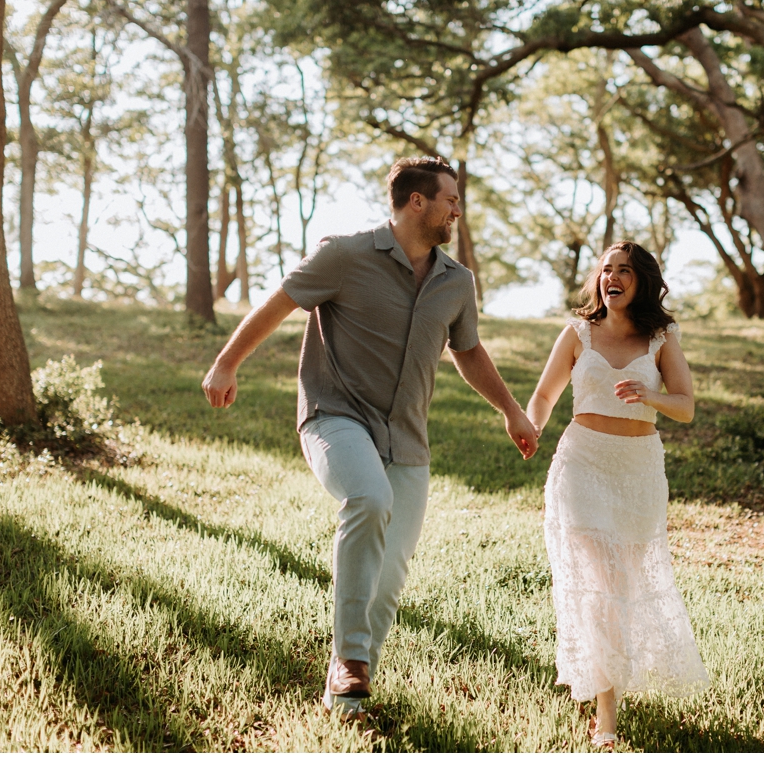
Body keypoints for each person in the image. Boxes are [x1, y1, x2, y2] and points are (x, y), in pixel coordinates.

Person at [202, 156, 538, 718]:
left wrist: (511, 410)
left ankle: (348, 701)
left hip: (407, 438)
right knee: (367, 498)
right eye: (450, 199)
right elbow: (279, 303)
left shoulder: (456, 282)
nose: (458, 208)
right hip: (335, 417)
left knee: (390, 576)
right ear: (416, 202)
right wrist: (225, 364)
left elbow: (469, 350)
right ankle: (351, 659)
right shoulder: (345, 254)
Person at [526, 241, 710, 748]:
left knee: (622, 590)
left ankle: (608, 684)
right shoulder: (578, 333)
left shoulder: (662, 337)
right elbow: (544, 395)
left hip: (638, 471)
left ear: (641, 280)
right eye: (606, 269)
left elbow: (687, 406)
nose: (612, 277)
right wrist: (530, 428)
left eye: (624, 270)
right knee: (601, 585)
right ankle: (606, 717)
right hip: (581, 464)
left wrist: (649, 395)